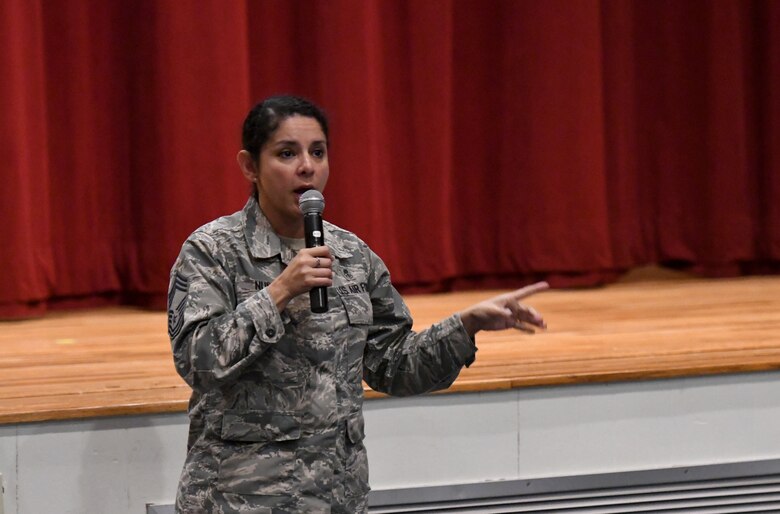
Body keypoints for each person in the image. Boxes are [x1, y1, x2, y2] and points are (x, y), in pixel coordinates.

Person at [168, 95, 548, 513]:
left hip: (336, 499)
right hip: (240, 502)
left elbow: (396, 366)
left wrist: (465, 325)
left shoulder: (352, 256)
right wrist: (279, 292)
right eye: (287, 153)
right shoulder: (213, 251)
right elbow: (198, 363)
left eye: (318, 152)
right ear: (249, 166)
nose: (307, 167)